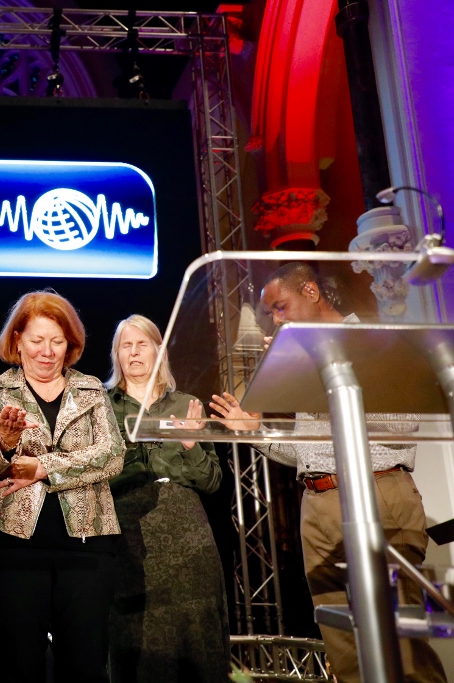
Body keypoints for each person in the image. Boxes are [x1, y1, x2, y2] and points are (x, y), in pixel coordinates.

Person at [209, 262, 446, 683]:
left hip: (377, 494)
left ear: (311, 292)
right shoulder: (310, 360)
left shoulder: (370, 341)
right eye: (271, 313)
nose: (276, 320)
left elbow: (400, 424)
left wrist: (323, 372)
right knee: (344, 647)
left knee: (400, 646)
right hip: (317, 506)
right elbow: (312, 452)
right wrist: (254, 432)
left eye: (281, 307)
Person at [0, 290, 124, 683]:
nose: (47, 351)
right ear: (17, 339)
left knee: (86, 667)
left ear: (70, 344)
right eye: (37, 340)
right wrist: (5, 441)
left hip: (89, 548)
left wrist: (43, 467)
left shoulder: (91, 389)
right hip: (12, 547)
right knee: (18, 666)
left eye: (57, 341)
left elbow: (112, 455)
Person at [104, 314, 229, 682]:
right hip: (129, 533)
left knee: (197, 638)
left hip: (188, 536)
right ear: (117, 355)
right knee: (139, 643)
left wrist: (191, 445)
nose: (134, 352)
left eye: (142, 344)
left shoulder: (186, 404)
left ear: (159, 351)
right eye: (126, 345)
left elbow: (212, 481)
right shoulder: (101, 407)